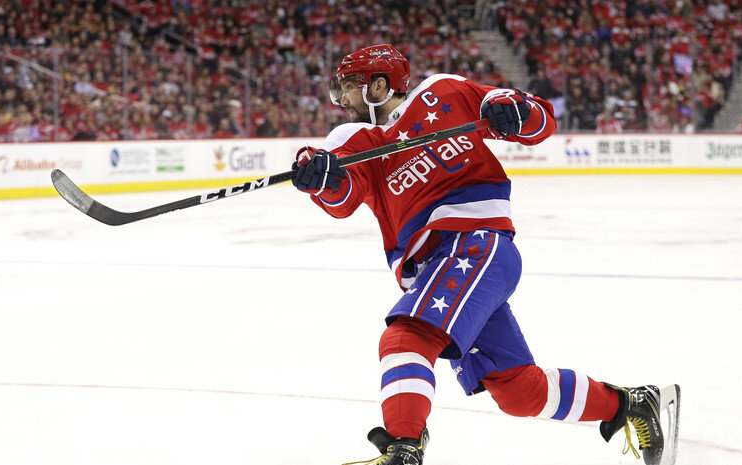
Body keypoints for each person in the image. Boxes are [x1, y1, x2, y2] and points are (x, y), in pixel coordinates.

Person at [290, 44, 680, 465]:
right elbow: (344, 197)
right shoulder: (352, 139)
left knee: (406, 337)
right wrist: (321, 177)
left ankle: (404, 448)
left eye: (349, 86)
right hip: (437, 271)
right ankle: (633, 403)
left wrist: (515, 110)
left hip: (477, 243)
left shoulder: (443, 92)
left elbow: (539, 122)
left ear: (379, 86)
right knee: (519, 391)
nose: (342, 98)